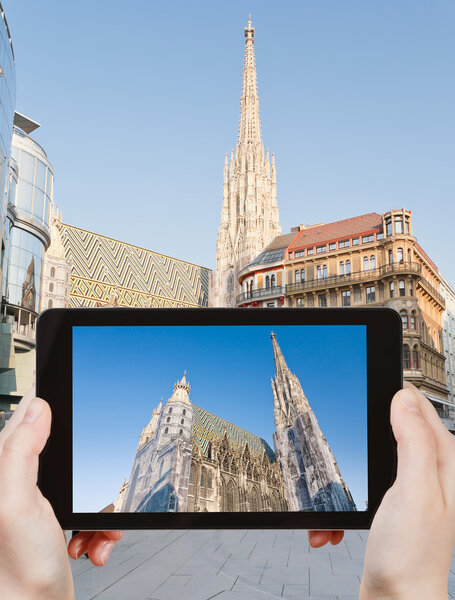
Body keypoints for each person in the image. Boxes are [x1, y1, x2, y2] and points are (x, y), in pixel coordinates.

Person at [0, 383, 454, 599]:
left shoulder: (259, 442)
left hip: (245, 474)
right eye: (176, 415)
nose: (177, 416)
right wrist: (402, 589)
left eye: (179, 414)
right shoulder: (173, 424)